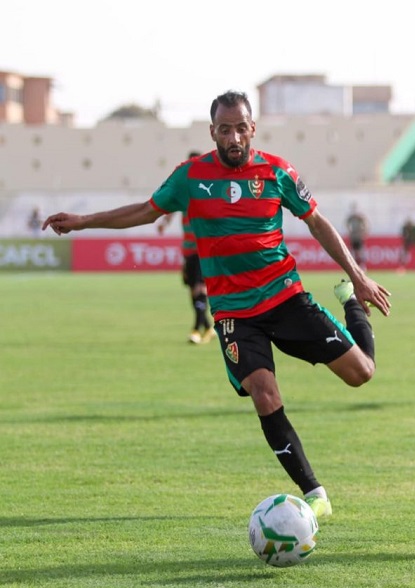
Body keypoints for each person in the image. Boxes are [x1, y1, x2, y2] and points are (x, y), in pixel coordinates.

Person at [42, 90, 392, 519]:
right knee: (264, 393)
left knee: (362, 374)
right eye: (224, 130)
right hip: (233, 313)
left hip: (286, 298)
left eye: (240, 128)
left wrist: (358, 279)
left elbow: (316, 221)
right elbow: (145, 211)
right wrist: (84, 221)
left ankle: (349, 304)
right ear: (213, 132)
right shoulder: (190, 176)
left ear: (252, 129)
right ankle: (315, 494)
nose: (233, 137)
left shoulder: (277, 172)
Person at [156, 151, 216, 344]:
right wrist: (164, 223)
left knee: (200, 287)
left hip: (204, 248)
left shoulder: (208, 187)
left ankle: (196, 329)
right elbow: (171, 208)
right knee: (194, 289)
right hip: (189, 248)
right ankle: (207, 327)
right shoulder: (185, 188)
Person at [345, 203, 369, 269]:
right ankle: (354, 266)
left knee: (360, 251)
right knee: (353, 251)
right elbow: (347, 224)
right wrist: (349, 231)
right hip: (353, 237)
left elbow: (365, 224)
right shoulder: (351, 217)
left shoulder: (360, 217)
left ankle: (362, 265)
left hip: (359, 236)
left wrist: (364, 232)